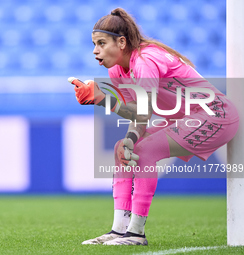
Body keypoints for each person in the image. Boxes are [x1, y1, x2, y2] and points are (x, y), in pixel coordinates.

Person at [69, 7, 239, 246]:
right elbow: (138, 115)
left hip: (216, 115)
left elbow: (143, 110)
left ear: (121, 42)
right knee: (123, 149)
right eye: (94, 44)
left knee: (145, 151)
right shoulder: (118, 68)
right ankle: (119, 230)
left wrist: (102, 99)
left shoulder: (146, 61)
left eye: (100, 43)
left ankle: (136, 233)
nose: (95, 51)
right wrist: (129, 139)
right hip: (185, 119)